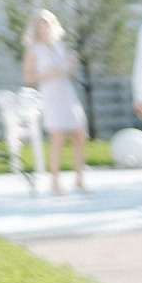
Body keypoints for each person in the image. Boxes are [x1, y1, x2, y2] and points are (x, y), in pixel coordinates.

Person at [24, 10, 91, 195]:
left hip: (67, 93)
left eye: (46, 24)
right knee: (58, 138)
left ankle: (80, 180)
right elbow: (28, 77)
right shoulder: (33, 50)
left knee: (79, 134)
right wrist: (49, 73)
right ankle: (55, 182)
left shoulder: (60, 47)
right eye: (39, 25)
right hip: (50, 95)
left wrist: (71, 65)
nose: (43, 28)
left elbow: (66, 73)